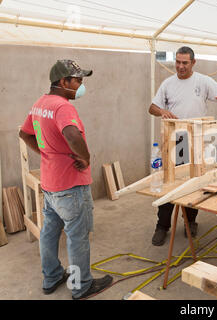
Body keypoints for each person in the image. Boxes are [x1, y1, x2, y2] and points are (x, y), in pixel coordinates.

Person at [19, 60, 112, 299]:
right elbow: (72, 134)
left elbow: (24, 133)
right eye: (77, 80)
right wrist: (86, 157)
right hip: (71, 185)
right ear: (63, 82)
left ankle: (51, 277)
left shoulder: (40, 104)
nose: (81, 85)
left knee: (49, 233)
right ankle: (81, 285)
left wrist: (45, 153)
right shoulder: (63, 107)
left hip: (50, 184)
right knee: (77, 236)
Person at [148, 46, 217, 246]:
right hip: (174, 140)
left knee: (193, 184)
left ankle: (191, 222)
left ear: (193, 63)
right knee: (169, 183)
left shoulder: (203, 81)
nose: (180, 66)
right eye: (177, 62)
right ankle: (162, 226)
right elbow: (151, 107)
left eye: (185, 63)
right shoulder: (168, 83)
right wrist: (162, 111)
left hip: (197, 140)